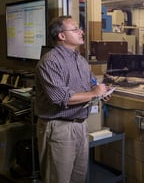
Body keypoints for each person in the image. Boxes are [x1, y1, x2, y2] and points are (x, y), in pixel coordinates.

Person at [34, 15, 111, 183]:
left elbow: (92, 82)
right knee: (58, 178)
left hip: (80, 125)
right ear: (62, 36)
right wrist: (94, 93)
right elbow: (61, 98)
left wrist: (101, 90)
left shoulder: (81, 60)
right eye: (75, 29)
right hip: (59, 128)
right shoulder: (50, 62)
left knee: (78, 177)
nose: (81, 32)